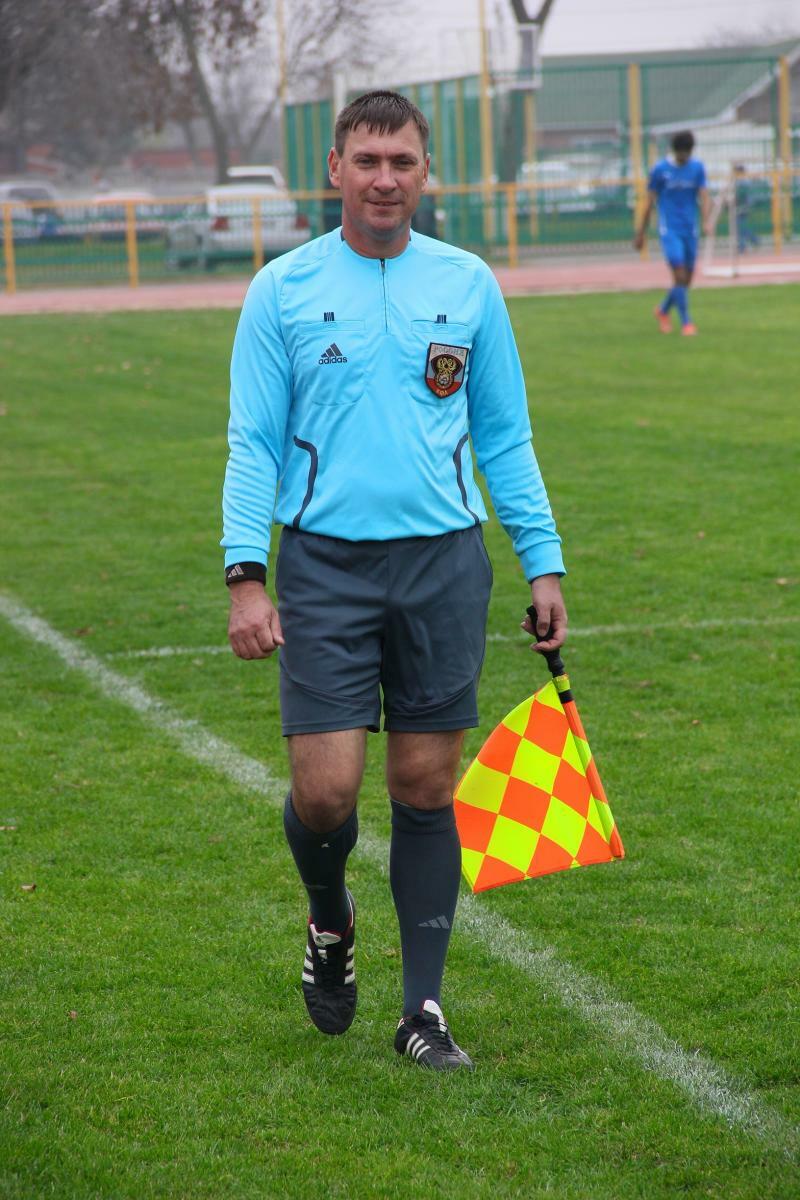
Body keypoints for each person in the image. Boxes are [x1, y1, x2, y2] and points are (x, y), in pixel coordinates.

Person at [221, 91, 567, 1072]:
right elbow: (252, 441)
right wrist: (246, 574)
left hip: (442, 565)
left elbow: (504, 435)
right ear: (335, 168)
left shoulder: (467, 283)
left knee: (425, 784)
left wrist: (542, 561)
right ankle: (329, 920)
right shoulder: (282, 289)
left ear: (425, 172)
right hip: (324, 566)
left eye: (401, 162)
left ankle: (423, 1011)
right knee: (326, 793)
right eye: (367, 160)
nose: (384, 179)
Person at [634, 130, 710, 336]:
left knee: (685, 281)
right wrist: (641, 233)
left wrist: (706, 221)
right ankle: (687, 323)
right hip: (669, 230)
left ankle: (663, 310)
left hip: (690, 229)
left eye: (687, 153)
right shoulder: (660, 170)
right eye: (681, 153)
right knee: (679, 274)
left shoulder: (697, 168)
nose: (684, 157)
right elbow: (649, 202)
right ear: (674, 151)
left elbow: (704, 195)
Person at [733, 164, 759, 253]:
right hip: (742, 206)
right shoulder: (741, 181)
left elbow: (741, 195)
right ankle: (753, 240)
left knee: (739, 226)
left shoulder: (742, 181)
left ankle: (743, 246)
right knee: (740, 226)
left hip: (743, 206)